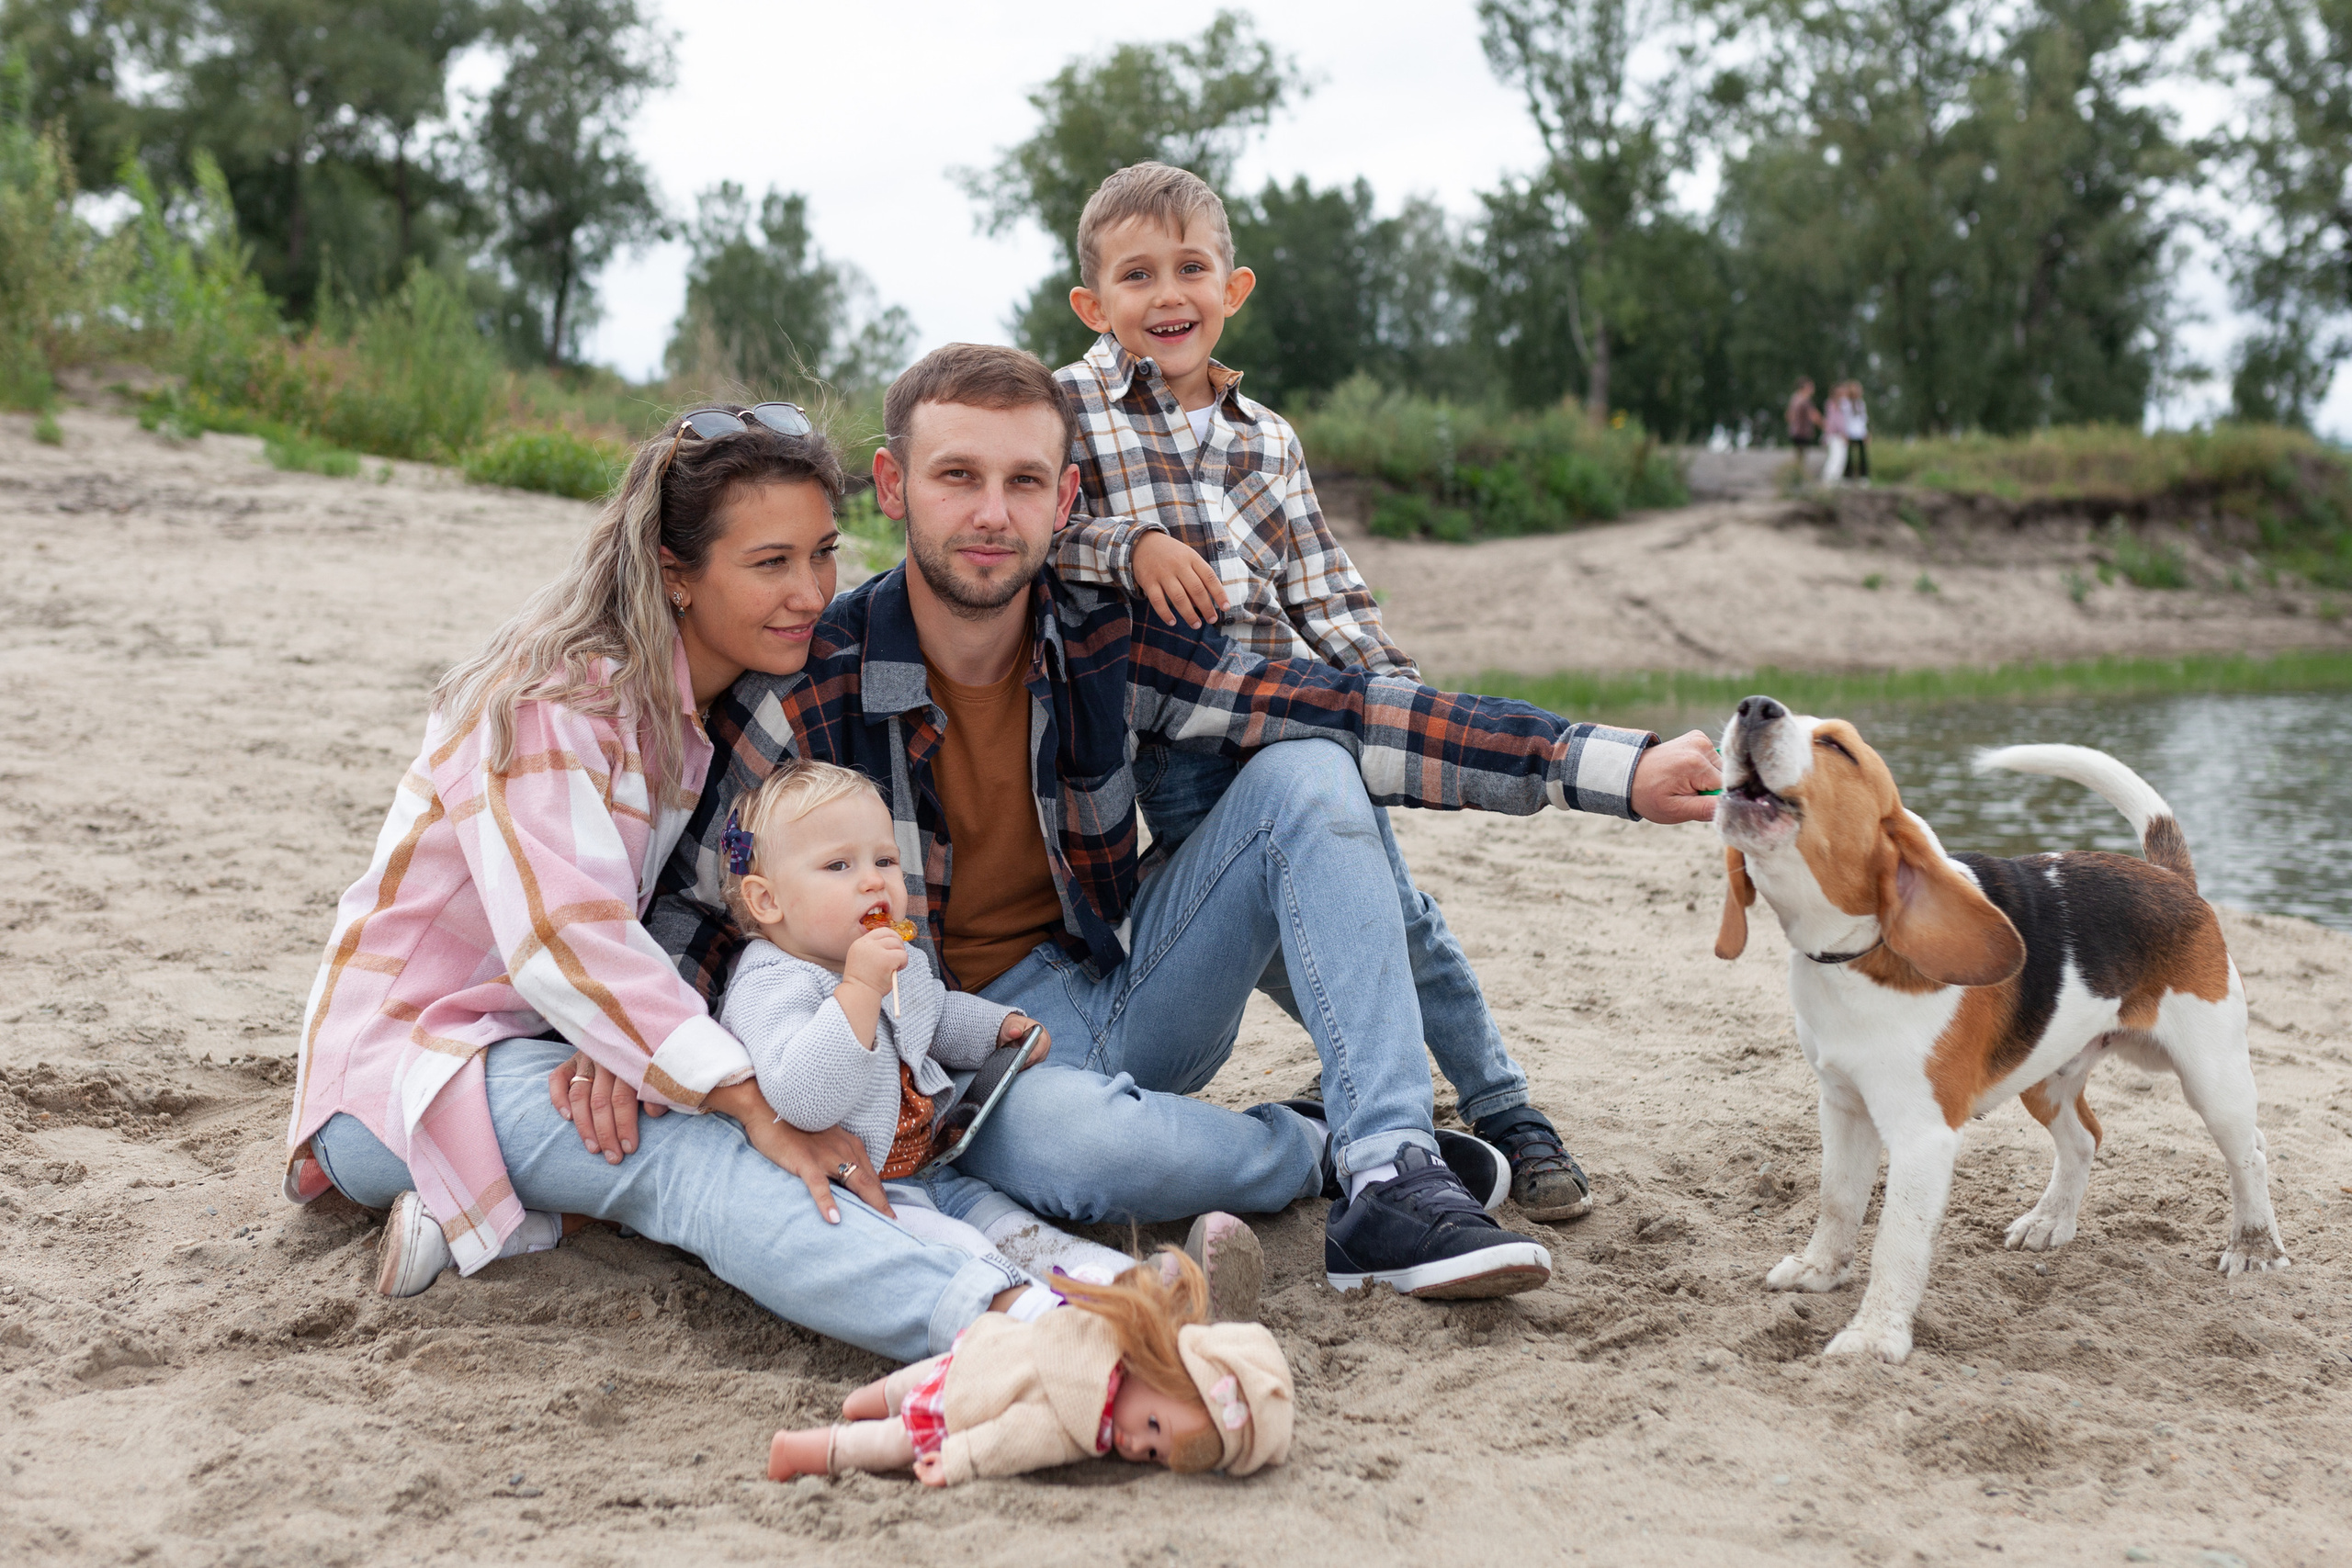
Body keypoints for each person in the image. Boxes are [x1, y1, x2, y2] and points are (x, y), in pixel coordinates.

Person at [568, 342, 1723, 1303]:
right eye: (956, 477)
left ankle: (1388, 1170)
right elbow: (700, 910)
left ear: (1067, 499)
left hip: (1125, 984)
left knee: (1310, 768)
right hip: (946, 1055)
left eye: (1024, 482)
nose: (989, 513)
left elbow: (1350, 704)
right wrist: (625, 1048)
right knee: (1092, 1158)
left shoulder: (1104, 636)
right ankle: (1316, 1144)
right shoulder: (810, 684)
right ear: (890, 485)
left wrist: (1599, 763)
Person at [283, 403, 1067, 1359]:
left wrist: (633, 1046)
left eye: (823, 553)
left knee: (721, 1121)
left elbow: (669, 925)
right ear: (674, 573)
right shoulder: (551, 700)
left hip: (544, 1051)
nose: (813, 591)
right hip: (409, 1074)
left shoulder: (687, 714)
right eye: (769, 562)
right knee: (717, 1152)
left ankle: (490, 1214)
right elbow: (567, 937)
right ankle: (1005, 1328)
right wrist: (742, 1098)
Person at [1038, 161, 1591, 1222]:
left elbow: (1324, 589)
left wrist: (1391, 702)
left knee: (1399, 920)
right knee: (1316, 934)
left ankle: (1502, 1103)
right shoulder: (1070, 409)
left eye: (1190, 269)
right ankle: (1398, 1118)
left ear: (1233, 287)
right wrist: (1129, 543)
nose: (1168, 297)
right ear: (1092, 304)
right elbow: (1035, 529)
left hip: (1299, 716)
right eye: (1137, 276)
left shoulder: (1268, 438)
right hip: (1181, 743)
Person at [714, 756, 1259, 1311]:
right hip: (856, 1194)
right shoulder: (771, 984)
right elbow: (802, 1097)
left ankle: (1146, 1291)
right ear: (767, 900)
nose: (874, 880)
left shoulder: (887, 959)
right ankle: (1081, 1320)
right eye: (838, 866)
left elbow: (938, 1017)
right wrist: (857, 990)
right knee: (969, 1256)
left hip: (928, 1167)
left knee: (1019, 1232)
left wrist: (999, 1029)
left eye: (884, 859)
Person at [767, 1249, 1292, 1485]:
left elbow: (1081, 1289)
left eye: (1154, 1454)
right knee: (892, 1443)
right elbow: (1013, 1438)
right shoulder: (1080, 1420)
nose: (1134, 1446)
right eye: (1152, 1426)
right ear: (1159, 1370)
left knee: (909, 1382)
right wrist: (960, 1459)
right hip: (969, 1403)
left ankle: (861, 1399)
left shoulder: (1108, 1331)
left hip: (981, 1347)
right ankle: (805, 1451)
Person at [1785, 378, 1822, 479]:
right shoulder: (1804, 400)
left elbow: (1789, 415)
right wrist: (1824, 425)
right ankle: (1797, 476)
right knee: (1801, 456)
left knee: (1799, 455)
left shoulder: (1794, 398)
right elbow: (1813, 415)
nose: (1812, 389)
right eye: (1810, 387)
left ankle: (1796, 476)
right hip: (1802, 431)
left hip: (1796, 431)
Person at [1821, 382, 1851, 484]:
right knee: (1835, 457)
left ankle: (1835, 479)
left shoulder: (1841, 404)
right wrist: (1842, 432)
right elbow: (1834, 421)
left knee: (1841, 458)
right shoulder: (1832, 404)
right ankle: (1828, 480)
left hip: (1839, 434)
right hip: (1835, 434)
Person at [1842, 381, 1871, 482]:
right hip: (1849, 432)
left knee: (1863, 455)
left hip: (1860, 432)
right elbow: (1844, 419)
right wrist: (1844, 433)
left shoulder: (1861, 404)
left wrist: (1866, 433)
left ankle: (1864, 477)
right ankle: (1847, 476)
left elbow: (1863, 419)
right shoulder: (1845, 403)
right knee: (1848, 455)